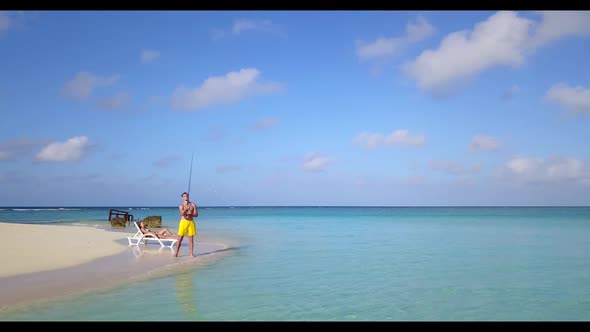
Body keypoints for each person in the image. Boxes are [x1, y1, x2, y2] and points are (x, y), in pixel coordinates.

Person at [175, 191, 198, 257]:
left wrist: (191, 213)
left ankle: (191, 254)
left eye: (187, 196)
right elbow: (182, 213)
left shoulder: (193, 204)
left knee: (191, 239)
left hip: (191, 222)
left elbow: (196, 214)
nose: (186, 197)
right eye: (184, 196)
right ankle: (176, 253)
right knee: (180, 238)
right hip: (183, 222)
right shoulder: (181, 205)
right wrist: (186, 209)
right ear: (182, 197)